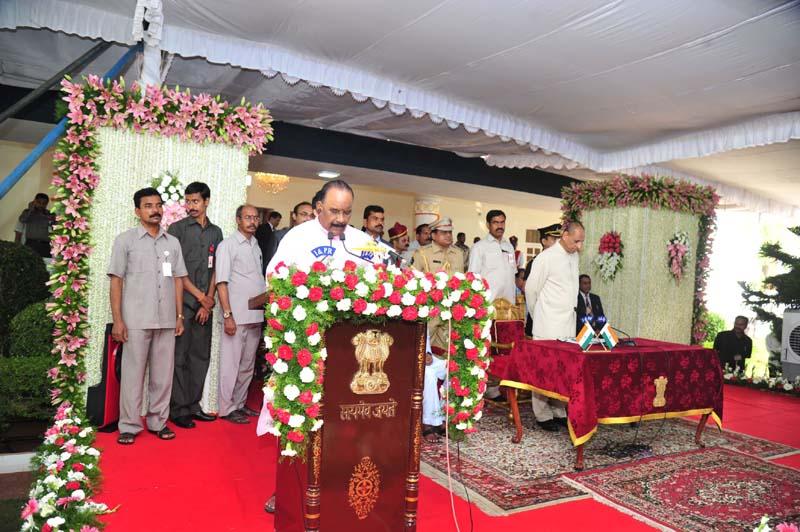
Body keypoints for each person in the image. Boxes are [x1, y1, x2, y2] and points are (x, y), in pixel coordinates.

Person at [260, 179, 375, 514]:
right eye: (334, 211)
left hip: (351, 349)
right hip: (305, 348)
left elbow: (387, 276)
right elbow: (274, 277)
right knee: (299, 416)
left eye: (347, 212)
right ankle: (288, 488)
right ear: (318, 208)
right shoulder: (297, 237)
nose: (340, 219)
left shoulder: (361, 241)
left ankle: (339, 484)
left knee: (346, 423)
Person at [109, 187, 187, 445]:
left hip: (166, 319)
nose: (155, 210)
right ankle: (129, 425)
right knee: (133, 375)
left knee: (163, 376)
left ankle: (158, 422)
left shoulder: (172, 243)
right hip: (136, 320)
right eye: (148, 206)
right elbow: (116, 281)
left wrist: (178, 316)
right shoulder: (125, 241)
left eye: (158, 205)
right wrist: (118, 320)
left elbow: (177, 280)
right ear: (137, 211)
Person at [167, 182, 223, 428]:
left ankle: (193, 405)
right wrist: (200, 297)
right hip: (182, 304)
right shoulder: (176, 229)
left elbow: (215, 269)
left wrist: (208, 302)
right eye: (187, 201)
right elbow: (174, 271)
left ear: (206, 201)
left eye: (195, 201)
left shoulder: (216, 232)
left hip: (204, 307)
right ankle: (178, 410)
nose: (190, 206)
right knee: (179, 357)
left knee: (200, 356)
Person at [525, 220, 585, 431]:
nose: (579, 246)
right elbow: (531, 291)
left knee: (563, 370)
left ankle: (559, 411)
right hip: (547, 324)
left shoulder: (574, 256)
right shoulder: (546, 258)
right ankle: (542, 415)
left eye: (582, 242)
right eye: (576, 241)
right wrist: (538, 315)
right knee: (544, 370)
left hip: (568, 324)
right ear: (565, 235)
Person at [411, 217, 465, 443]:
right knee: (430, 373)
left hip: (451, 323)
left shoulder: (458, 255)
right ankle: (429, 423)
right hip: (427, 324)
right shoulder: (421, 255)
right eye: (443, 233)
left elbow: (461, 284)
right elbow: (413, 289)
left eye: (450, 233)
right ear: (433, 234)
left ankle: (449, 418)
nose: (448, 237)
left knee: (457, 369)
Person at [215, 205, 266, 424]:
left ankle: (240, 403)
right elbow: (221, 283)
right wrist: (228, 315)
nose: (252, 221)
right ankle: (226, 409)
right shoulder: (228, 245)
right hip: (235, 317)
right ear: (238, 220)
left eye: (255, 218)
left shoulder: (256, 245)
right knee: (231, 365)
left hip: (255, 315)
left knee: (247, 366)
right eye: (248, 217)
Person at [468, 209, 517, 304]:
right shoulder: (479, 247)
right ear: (488, 225)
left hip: (509, 304)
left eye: (502, 222)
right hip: (488, 303)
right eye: (495, 222)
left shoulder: (509, 247)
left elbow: (512, 273)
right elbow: (473, 277)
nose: (500, 226)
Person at [521, 223, 561, 335]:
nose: (558, 242)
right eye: (554, 239)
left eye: (559, 239)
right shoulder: (536, 262)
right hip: (539, 315)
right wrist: (536, 313)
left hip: (555, 317)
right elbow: (526, 288)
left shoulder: (559, 261)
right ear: (544, 241)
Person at [18, 193, 53, 258]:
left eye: (44, 203)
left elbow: (55, 225)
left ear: (47, 204)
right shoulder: (27, 212)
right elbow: (22, 219)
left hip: (45, 245)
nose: (41, 205)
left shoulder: (50, 214)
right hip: (31, 244)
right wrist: (30, 209)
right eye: (39, 202)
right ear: (34, 202)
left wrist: (48, 217)